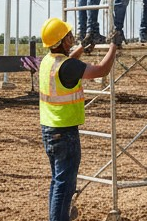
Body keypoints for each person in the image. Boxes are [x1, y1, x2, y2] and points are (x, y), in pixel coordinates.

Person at [39, 17, 122, 221]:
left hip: (50, 130)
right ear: (61, 42)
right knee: (65, 186)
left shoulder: (48, 62)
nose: (72, 38)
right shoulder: (66, 66)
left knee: (58, 182)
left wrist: (82, 48)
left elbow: (69, 63)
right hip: (65, 134)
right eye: (69, 37)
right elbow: (101, 70)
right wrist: (114, 46)